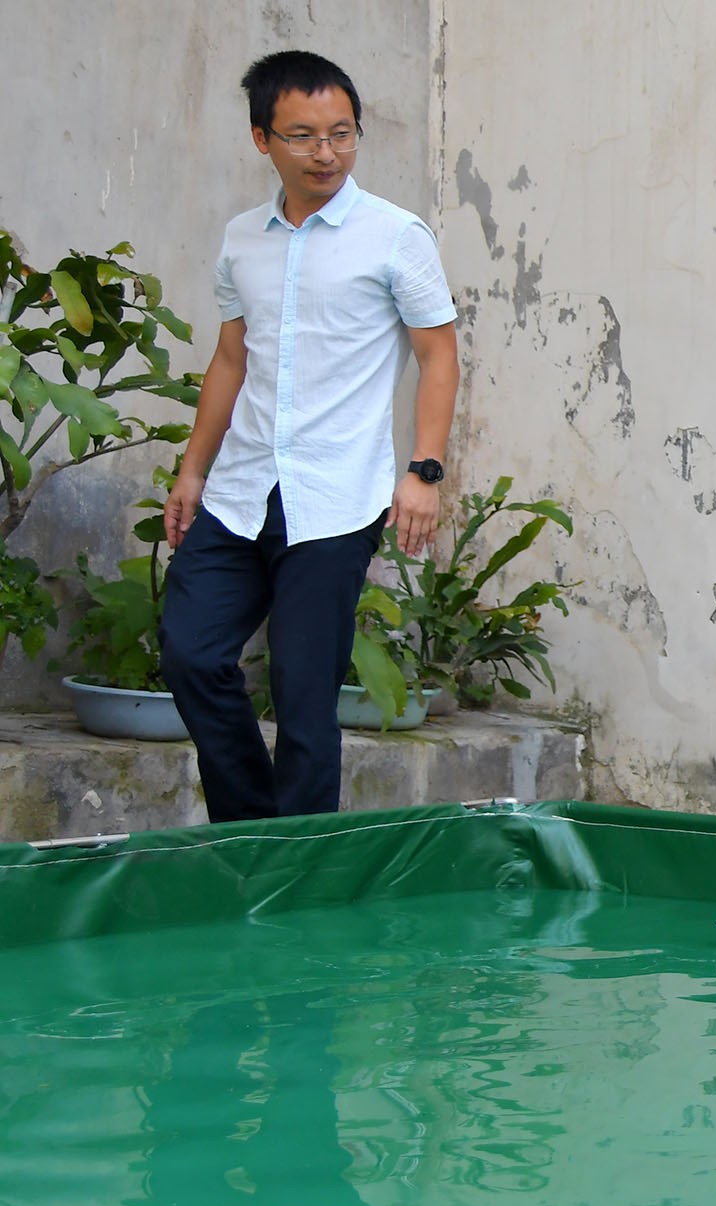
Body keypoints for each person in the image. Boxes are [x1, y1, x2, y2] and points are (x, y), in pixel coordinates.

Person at [158, 50, 459, 822]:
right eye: (303, 136)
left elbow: (438, 353)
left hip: (334, 498)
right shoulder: (241, 239)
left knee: (303, 694)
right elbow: (232, 357)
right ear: (263, 139)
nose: (326, 153)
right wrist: (194, 470)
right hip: (240, 489)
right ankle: (254, 833)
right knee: (192, 653)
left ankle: (298, 871)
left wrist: (423, 470)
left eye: (342, 134)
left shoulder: (396, 236)